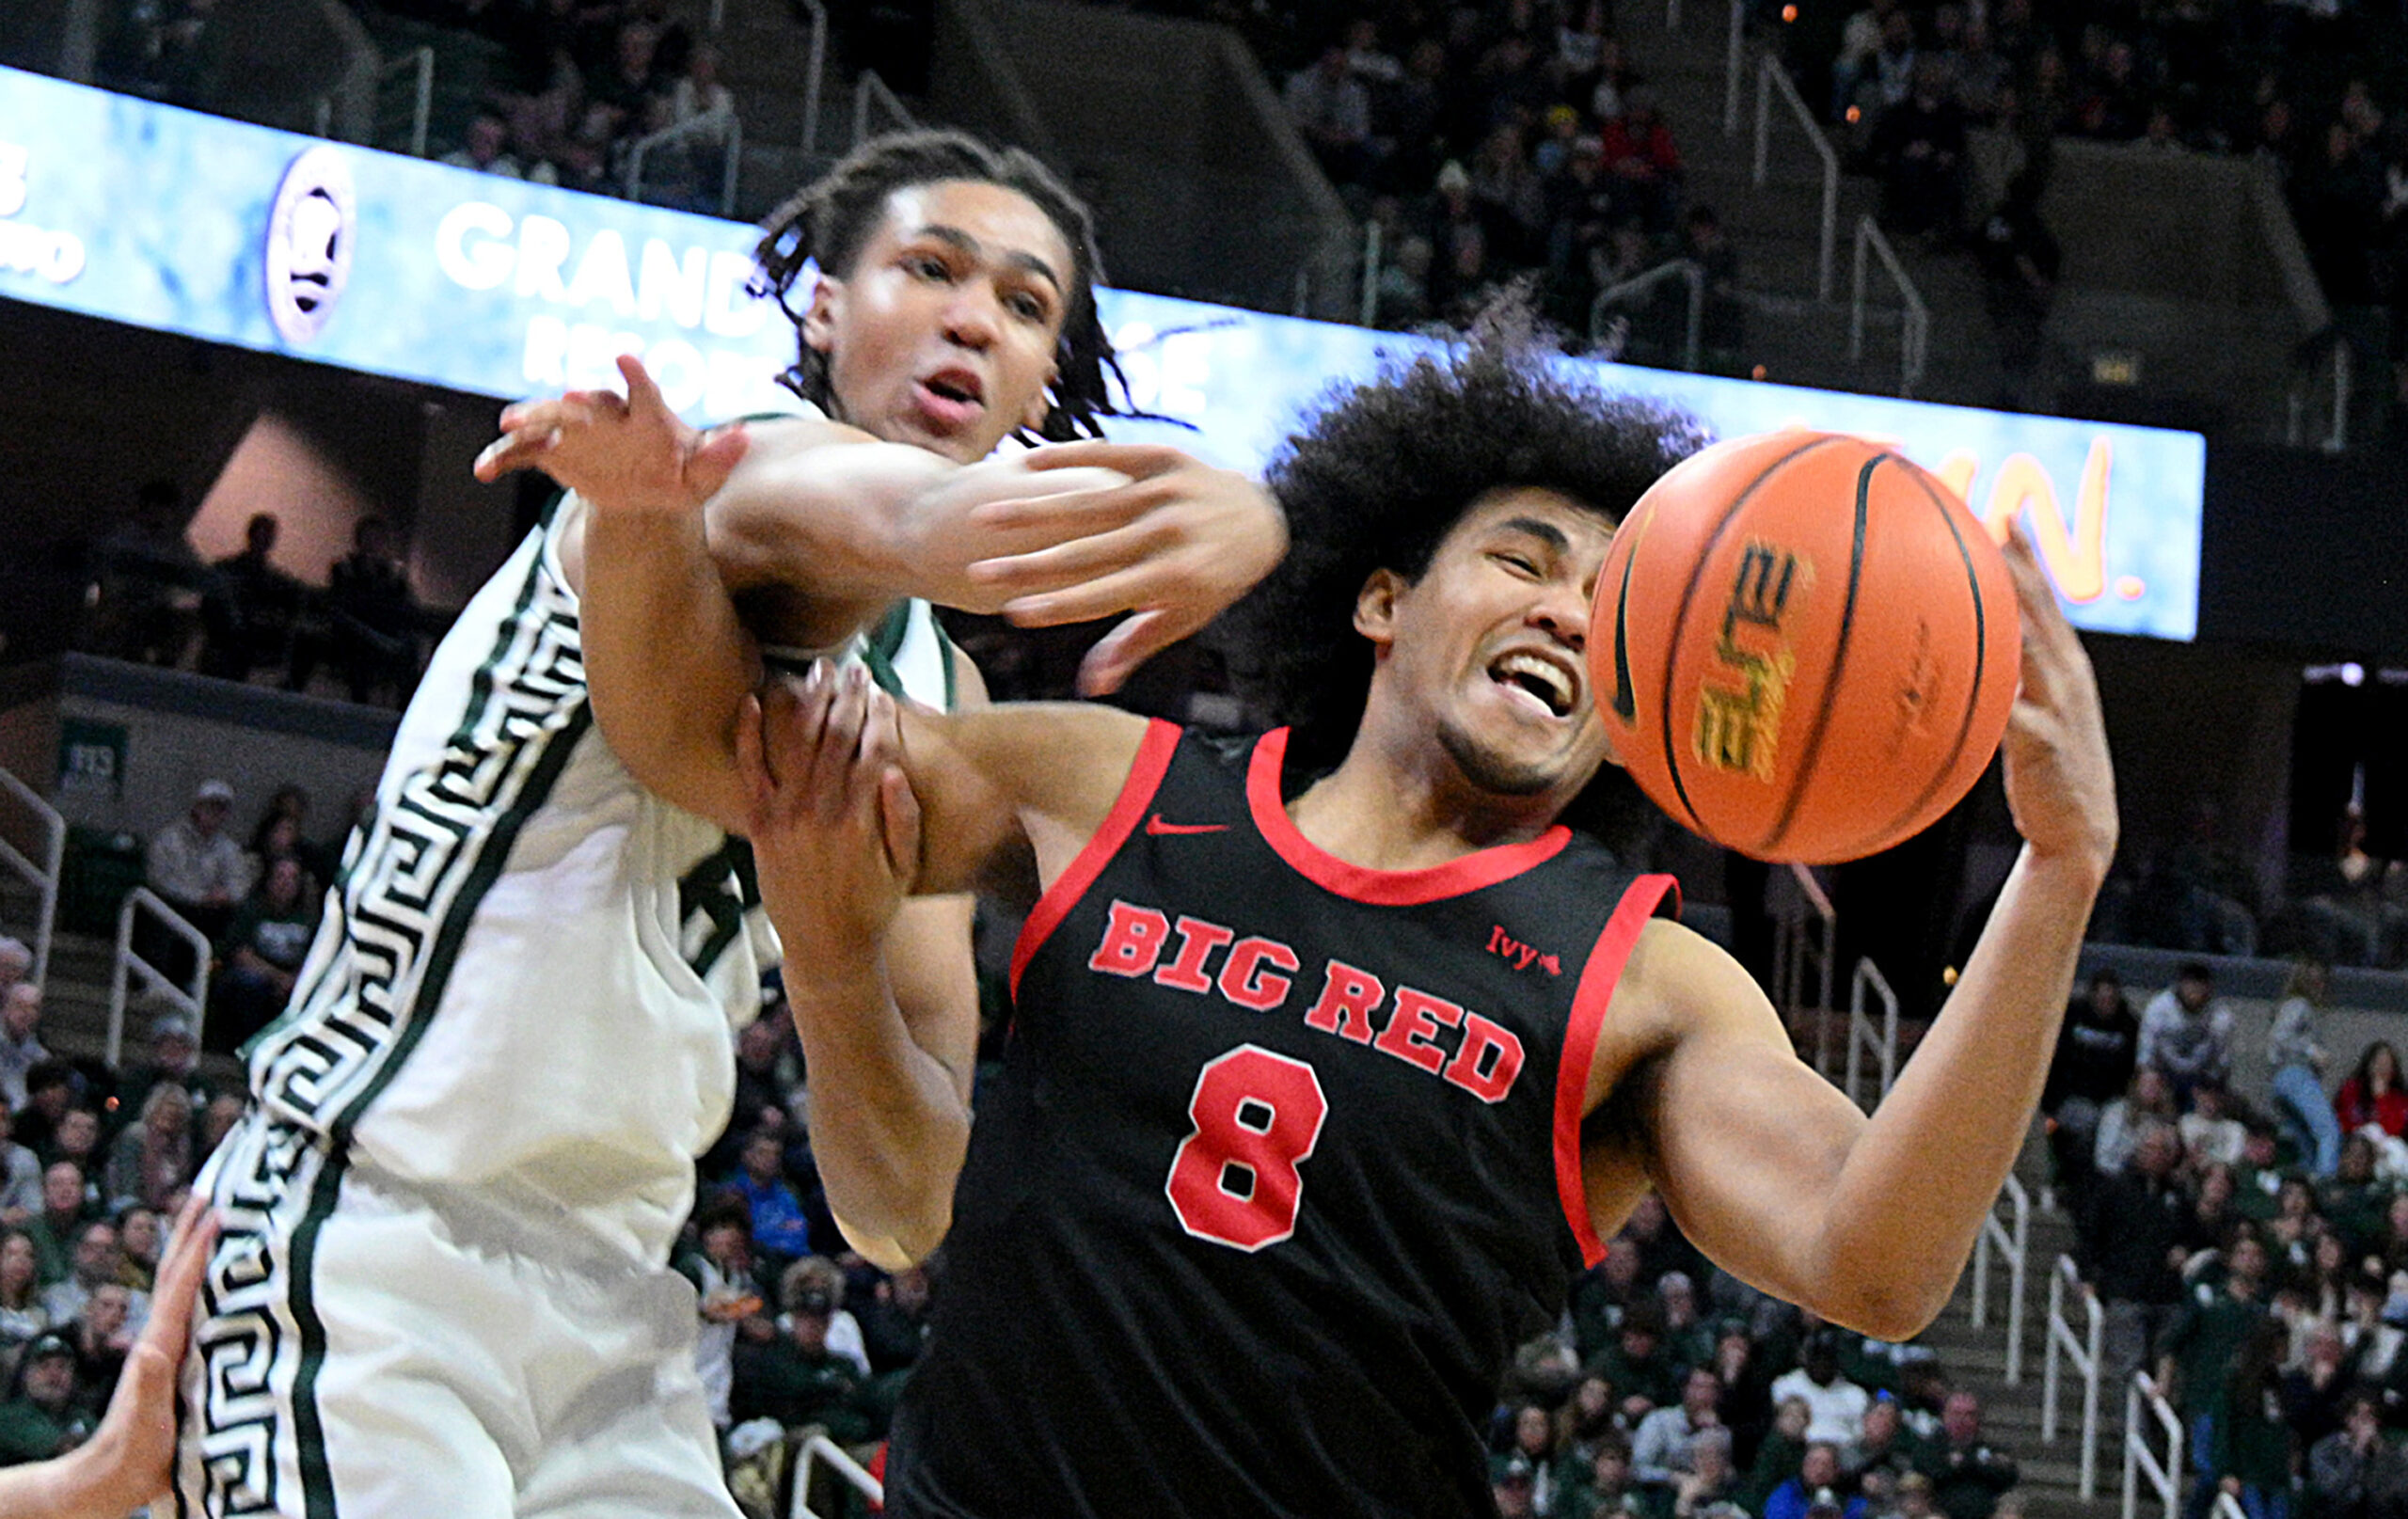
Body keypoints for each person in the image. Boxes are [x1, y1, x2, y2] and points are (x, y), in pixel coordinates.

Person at [633, 324, 2118, 1513]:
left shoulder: (1646, 982)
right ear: (1382, 602)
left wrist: (2055, 874)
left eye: (1616, 609)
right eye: (1526, 559)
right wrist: (655, 520)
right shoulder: (1107, 787)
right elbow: (714, 736)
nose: (1566, 612)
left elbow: (1878, 1261)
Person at [178, 129, 1285, 1519]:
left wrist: (828, 960)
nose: (972, 319)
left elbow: (902, 1200)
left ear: (1045, 375)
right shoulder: (742, 480)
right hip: (369, 1230)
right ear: (823, 304)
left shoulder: (932, 685)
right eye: (931, 270)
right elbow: (937, 522)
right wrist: (1243, 508)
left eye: (1023, 306)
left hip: (620, 1303)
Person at [0, 1195, 214, 1516]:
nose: (54, 1375)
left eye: (61, 1366)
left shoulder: (80, 1406)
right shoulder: (13, 1418)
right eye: (45, 1367)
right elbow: (101, 1466)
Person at [2044, 970, 2137, 1202]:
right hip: (2070, 1098)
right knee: (2086, 1127)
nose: (2107, 1005)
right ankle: (2069, 1183)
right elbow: (2055, 1060)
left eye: (2111, 999)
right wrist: (2051, 1102)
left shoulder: (2128, 1025)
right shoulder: (2072, 1016)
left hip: (2109, 1100)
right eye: (2102, 999)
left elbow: (2130, 1069)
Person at [2138, 963, 2235, 1100]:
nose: (2194, 991)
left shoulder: (2220, 1015)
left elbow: (2222, 1061)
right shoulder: (2159, 1008)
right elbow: (2146, 1053)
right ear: (2180, 985)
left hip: (2201, 1076)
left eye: (2200, 986)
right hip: (2165, 1074)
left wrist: (2211, 1089)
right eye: (2190, 985)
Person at [2337, 1041, 2408, 1138]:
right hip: (2354, 1142)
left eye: (2386, 1064)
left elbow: (2392, 1131)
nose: (2381, 1069)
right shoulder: (2351, 1089)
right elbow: (2340, 1120)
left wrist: (2381, 1099)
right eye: (2378, 1063)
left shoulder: (2399, 1099)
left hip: (2385, 1146)